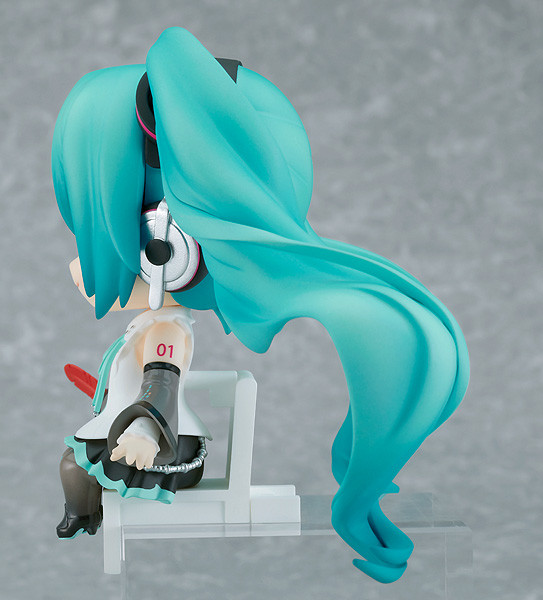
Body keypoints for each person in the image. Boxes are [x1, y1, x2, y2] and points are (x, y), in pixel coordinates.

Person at [51, 27, 469, 584]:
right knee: (74, 463)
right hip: (133, 425)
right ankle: (83, 513)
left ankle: (87, 510)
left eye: (154, 241)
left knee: (76, 464)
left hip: (155, 439)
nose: (87, 263)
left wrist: (146, 429)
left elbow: (162, 381)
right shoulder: (152, 317)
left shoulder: (167, 326)